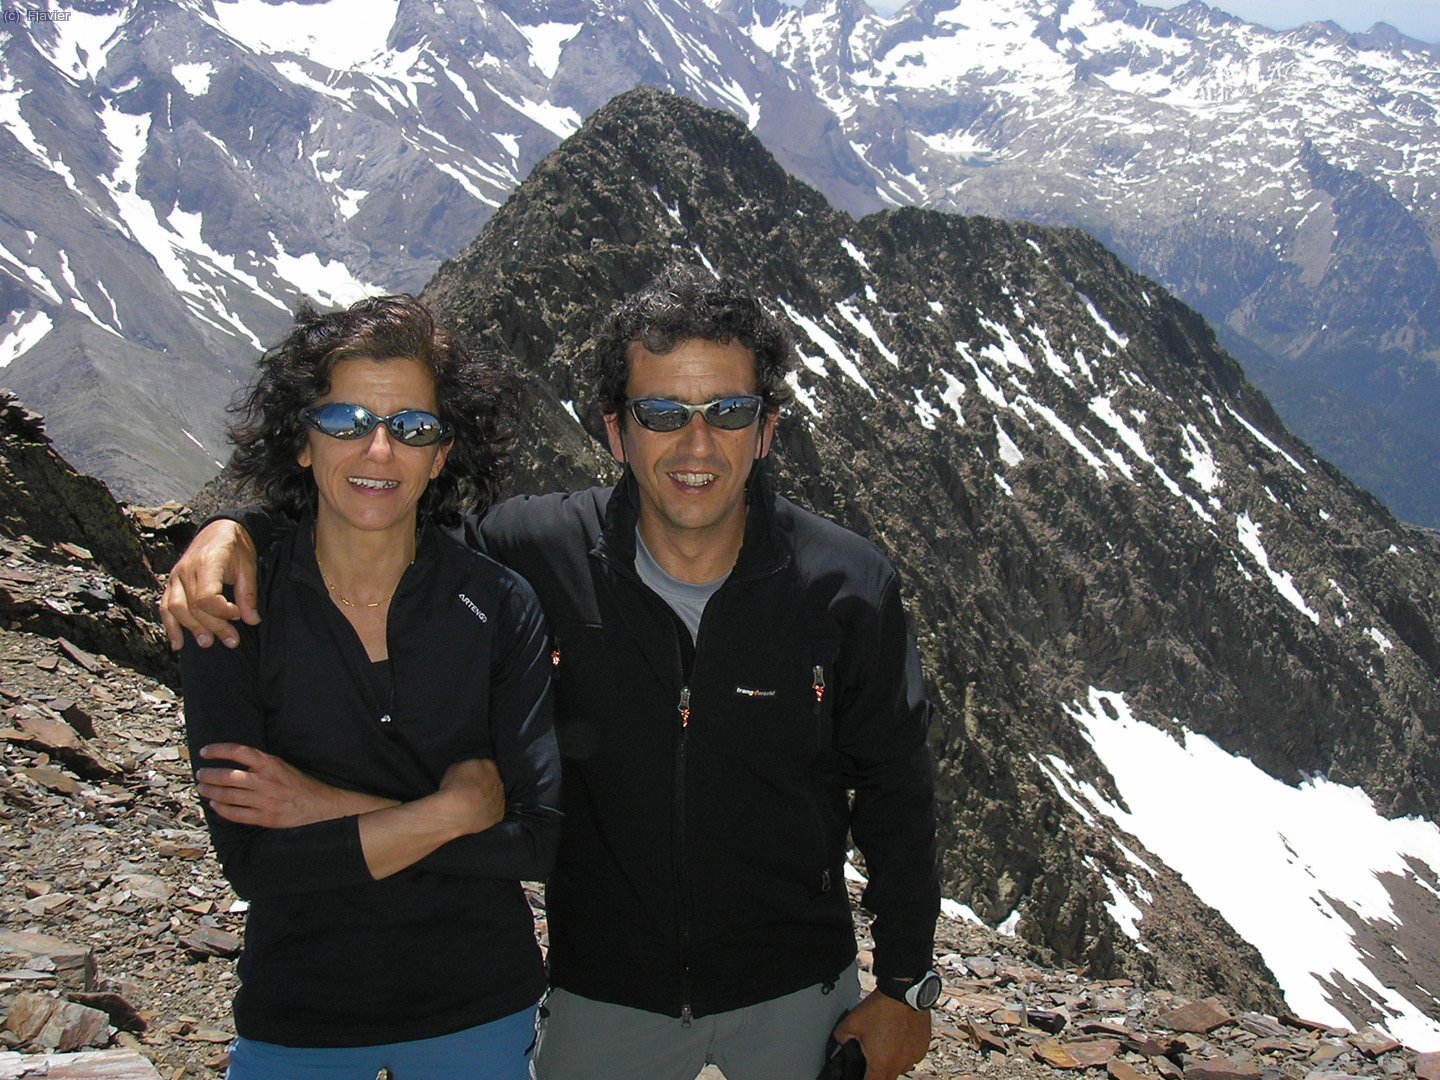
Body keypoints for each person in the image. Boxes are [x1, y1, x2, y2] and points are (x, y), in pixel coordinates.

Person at [165, 266, 941, 1080]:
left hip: (799, 990)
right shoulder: (536, 554)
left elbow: (896, 790)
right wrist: (234, 528)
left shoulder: (846, 585)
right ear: (617, 433)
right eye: (663, 414)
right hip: (603, 996)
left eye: (730, 412)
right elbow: (376, 508)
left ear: (767, 429)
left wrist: (905, 987)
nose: (697, 444)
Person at [179, 295, 561, 1079]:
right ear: (301, 442)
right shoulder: (231, 608)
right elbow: (255, 863)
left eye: (413, 428)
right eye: (346, 421)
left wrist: (320, 807)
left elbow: (538, 840)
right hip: (301, 1015)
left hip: (480, 1006)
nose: (379, 451)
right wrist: (453, 811)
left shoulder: (498, 604)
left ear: (443, 453)